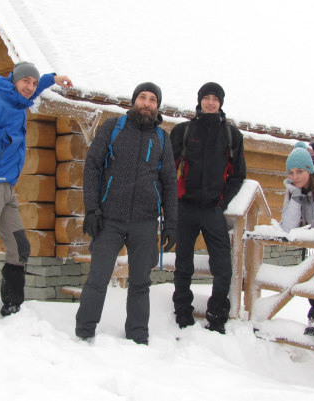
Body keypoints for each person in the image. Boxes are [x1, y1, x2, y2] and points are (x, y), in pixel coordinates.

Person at [0, 62, 72, 319]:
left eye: (34, 83)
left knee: (19, 247)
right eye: (26, 81)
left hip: (8, 190)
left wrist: (52, 79)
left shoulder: (17, 102)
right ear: (14, 80)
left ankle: (12, 305)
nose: (30, 87)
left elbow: (31, 90)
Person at [75, 82, 178, 345]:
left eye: (153, 99)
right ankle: (84, 332)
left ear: (157, 106)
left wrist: (171, 222)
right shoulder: (114, 127)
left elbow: (169, 180)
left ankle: (138, 335)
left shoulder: (162, 138)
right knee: (98, 277)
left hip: (145, 221)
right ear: (134, 101)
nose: (147, 103)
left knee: (141, 282)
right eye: (142, 97)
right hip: (109, 219)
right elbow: (93, 165)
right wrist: (92, 209)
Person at [169, 82, 246, 334]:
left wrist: (222, 203)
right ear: (199, 100)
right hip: (186, 208)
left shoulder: (231, 135)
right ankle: (182, 311)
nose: (210, 102)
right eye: (206, 98)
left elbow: (238, 175)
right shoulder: (183, 131)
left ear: (220, 103)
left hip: (213, 209)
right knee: (183, 264)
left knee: (223, 267)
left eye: (215, 98)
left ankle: (216, 316)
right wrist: (174, 200)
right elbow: (168, 169)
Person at [280, 142, 314, 337]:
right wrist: (295, 196)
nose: (294, 177)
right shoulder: (294, 190)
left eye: (299, 171)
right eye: (291, 172)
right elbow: (288, 227)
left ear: (309, 170)